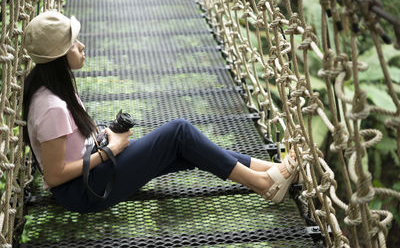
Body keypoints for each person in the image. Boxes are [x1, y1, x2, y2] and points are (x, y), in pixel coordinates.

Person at [22, 11, 299, 214]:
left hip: (89, 174)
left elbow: (68, 148)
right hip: (83, 191)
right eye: (73, 43)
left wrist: (104, 138)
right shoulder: (51, 106)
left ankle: (273, 170)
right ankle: (264, 185)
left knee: (186, 146)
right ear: (58, 57)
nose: (81, 46)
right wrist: (111, 151)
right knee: (179, 132)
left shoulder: (51, 88)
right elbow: (54, 176)